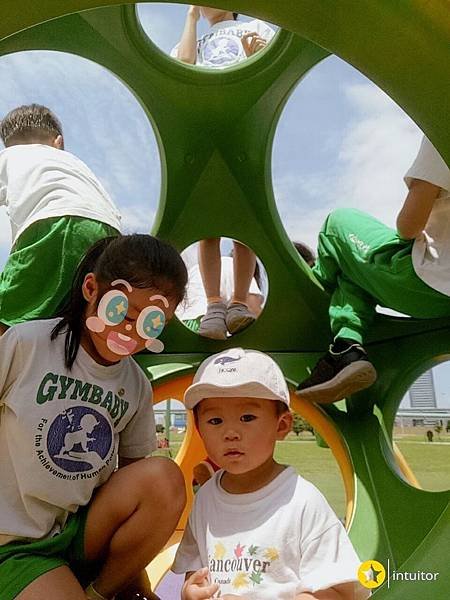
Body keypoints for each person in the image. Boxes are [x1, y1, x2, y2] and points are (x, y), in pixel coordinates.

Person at [0, 234, 188, 600]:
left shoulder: (135, 383)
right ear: (91, 288)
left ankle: (101, 593)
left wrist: (132, 574)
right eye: (121, 312)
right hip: (14, 543)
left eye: (150, 324)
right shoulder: (28, 344)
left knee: (164, 478)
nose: (129, 332)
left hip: (76, 533)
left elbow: (133, 477)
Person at [173, 348, 369, 600]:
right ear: (199, 430)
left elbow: (341, 593)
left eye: (247, 417)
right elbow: (195, 570)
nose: (230, 432)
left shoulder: (302, 501)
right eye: (215, 421)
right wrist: (191, 591)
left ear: (282, 425)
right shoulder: (205, 499)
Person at [297, 135, 450, 404]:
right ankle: (346, 347)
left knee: (338, 222)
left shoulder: (441, 122)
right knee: (355, 270)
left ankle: (314, 280)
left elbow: (408, 226)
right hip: (442, 305)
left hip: (429, 281)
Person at [172, 7, 275, 340]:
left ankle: (239, 302)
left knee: (245, 225)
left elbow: (269, 69)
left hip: (244, 127)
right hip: (206, 129)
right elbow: (184, 65)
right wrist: (190, 19)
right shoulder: (198, 39)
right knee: (209, 227)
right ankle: (215, 304)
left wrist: (255, 55)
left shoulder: (255, 25)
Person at [0, 103, 122, 335]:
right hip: (109, 235)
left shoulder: (8, 157)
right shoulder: (76, 164)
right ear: (59, 142)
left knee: (8, 311)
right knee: (77, 317)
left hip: (54, 225)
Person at [171, 6, 275, 69]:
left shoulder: (256, 27)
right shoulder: (191, 44)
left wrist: (256, 59)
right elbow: (183, 65)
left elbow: (276, 67)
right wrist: (192, 16)